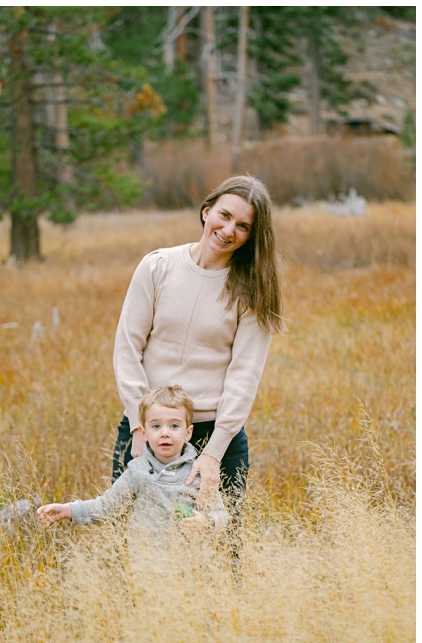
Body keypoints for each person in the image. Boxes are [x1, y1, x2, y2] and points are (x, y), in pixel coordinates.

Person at [112, 174, 285, 538]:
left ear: (252, 236)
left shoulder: (252, 291)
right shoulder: (157, 266)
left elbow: (244, 377)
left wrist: (213, 453)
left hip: (212, 434)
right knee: (131, 539)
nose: (228, 230)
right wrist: (139, 425)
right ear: (206, 211)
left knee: (222, 547)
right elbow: (128, 346)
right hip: (150, 427)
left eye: (242, 226)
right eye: (224, 216)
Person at [37, 386, 229, 566]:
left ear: (188, 433)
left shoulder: (196, 474)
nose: (164, 433)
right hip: (147, 570)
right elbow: (105, 507)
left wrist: (206, 522)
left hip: (192, 570)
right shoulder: (137, 472)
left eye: (174, 426)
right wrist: (67, 510)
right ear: (143, 433)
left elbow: (222, 515)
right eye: (156, 426)